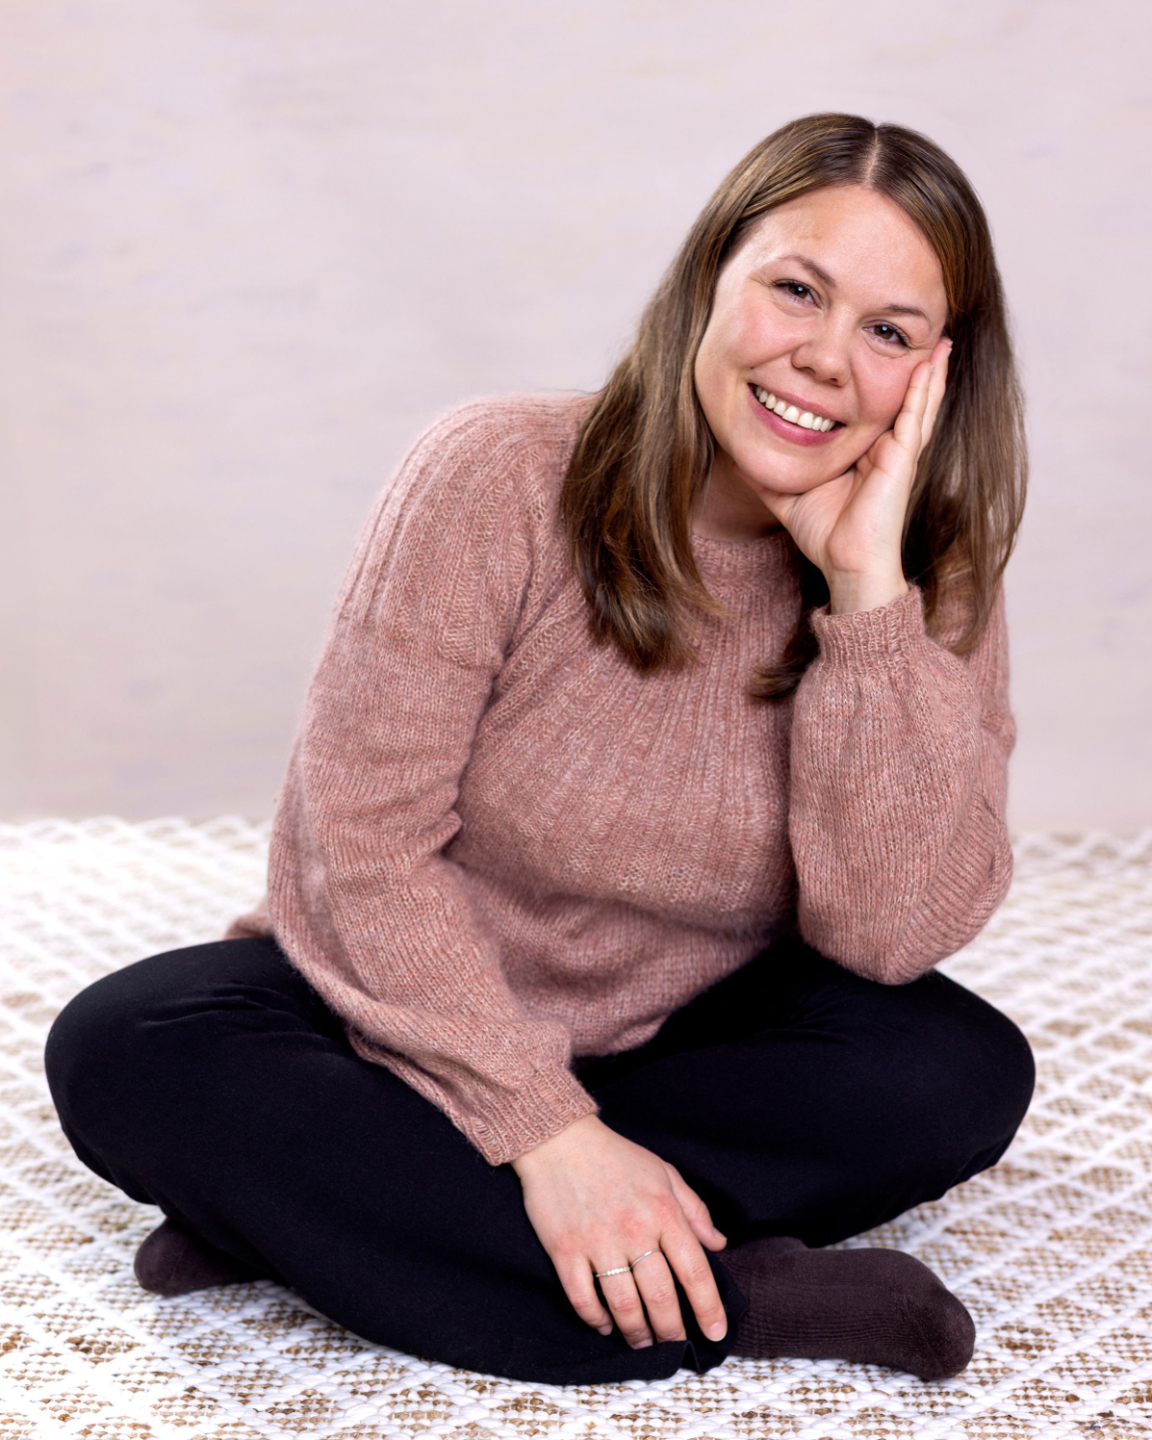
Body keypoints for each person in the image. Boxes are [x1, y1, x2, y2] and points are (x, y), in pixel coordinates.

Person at [45, 113, 1035, 1388]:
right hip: (397, 1017)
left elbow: (888, 939)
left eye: (889, 332)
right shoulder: (496, 474)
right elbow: (358, 845)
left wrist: (864, 602)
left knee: (958, 1072)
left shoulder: (919, 580)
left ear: (938, 375)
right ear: (711, 278)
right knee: (125, 1043)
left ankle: (318, 1222)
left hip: (684, 1039)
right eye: (797, 290)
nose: (826, 358)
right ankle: (737, 1300)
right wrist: (546, 1133)